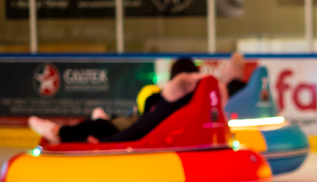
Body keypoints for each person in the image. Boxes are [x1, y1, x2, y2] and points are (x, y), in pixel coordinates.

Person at [27, 53, 248, 146]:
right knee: (104, 123)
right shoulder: (193, 102)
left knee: (100, 125)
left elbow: (140, 129)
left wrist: (105, 144)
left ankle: (58, 132)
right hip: (136, 126)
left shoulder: (173, 98)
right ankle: (92, 122)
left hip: (133, 132)